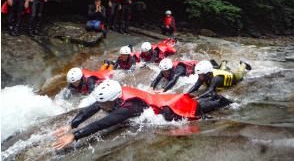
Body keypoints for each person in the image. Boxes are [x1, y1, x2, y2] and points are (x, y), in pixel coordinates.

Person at [52, 79, 231, 149]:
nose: (102, 106)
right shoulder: (114, 93)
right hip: (165, 101)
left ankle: (223, 101)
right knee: (200, 104)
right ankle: (215, 99)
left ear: (115, 99)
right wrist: (72, 124)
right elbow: (93, 107)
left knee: (202, 109)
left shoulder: (130, 107)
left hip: (173, 108)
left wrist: (75, 136)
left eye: (105, 103)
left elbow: (104, 123)